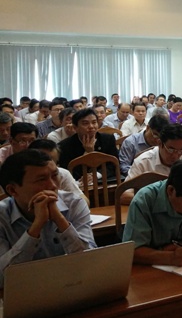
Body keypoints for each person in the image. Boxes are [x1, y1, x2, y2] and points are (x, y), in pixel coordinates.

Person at [0, 150, 96, 286]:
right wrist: (36, 227)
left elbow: (91, 261)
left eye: (55, 175)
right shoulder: (2, 216)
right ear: (13, 190)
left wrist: (60, 219)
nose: (53, 185)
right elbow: (3, 278)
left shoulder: (74, 204)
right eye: (41, 179)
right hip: (25, 289)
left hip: (72, 284)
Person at [58, 109, 119, 179]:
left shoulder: (108, 139)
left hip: (104, 180)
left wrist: (96, 175)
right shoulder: (64, 146)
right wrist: (87, 153)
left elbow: (114, 165)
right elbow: (69, 172)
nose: (91, 126)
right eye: (85, 123)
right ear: (75, 127)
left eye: (94, 122)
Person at [28, 139, 89, 205]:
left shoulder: (62, 173)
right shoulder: (25, 176)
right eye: (44, 162)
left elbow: (84, 201)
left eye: (55, 162)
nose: (53, 185)